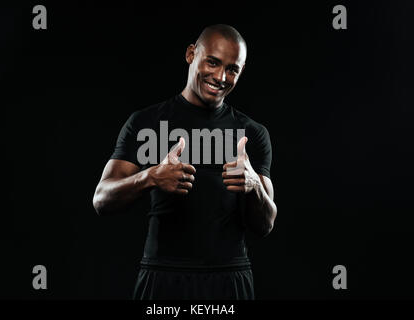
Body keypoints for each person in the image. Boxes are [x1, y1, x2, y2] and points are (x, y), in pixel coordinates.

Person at [93, 24, 277, 300]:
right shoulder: (147, 123)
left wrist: (254, 186)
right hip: (163, 276)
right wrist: (151, 177)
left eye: (232, 69)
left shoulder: (252, 133)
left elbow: (266, 225)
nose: (221, 77)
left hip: (228, 278)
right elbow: (101, 200)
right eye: (213, 62)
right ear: (192, 54)